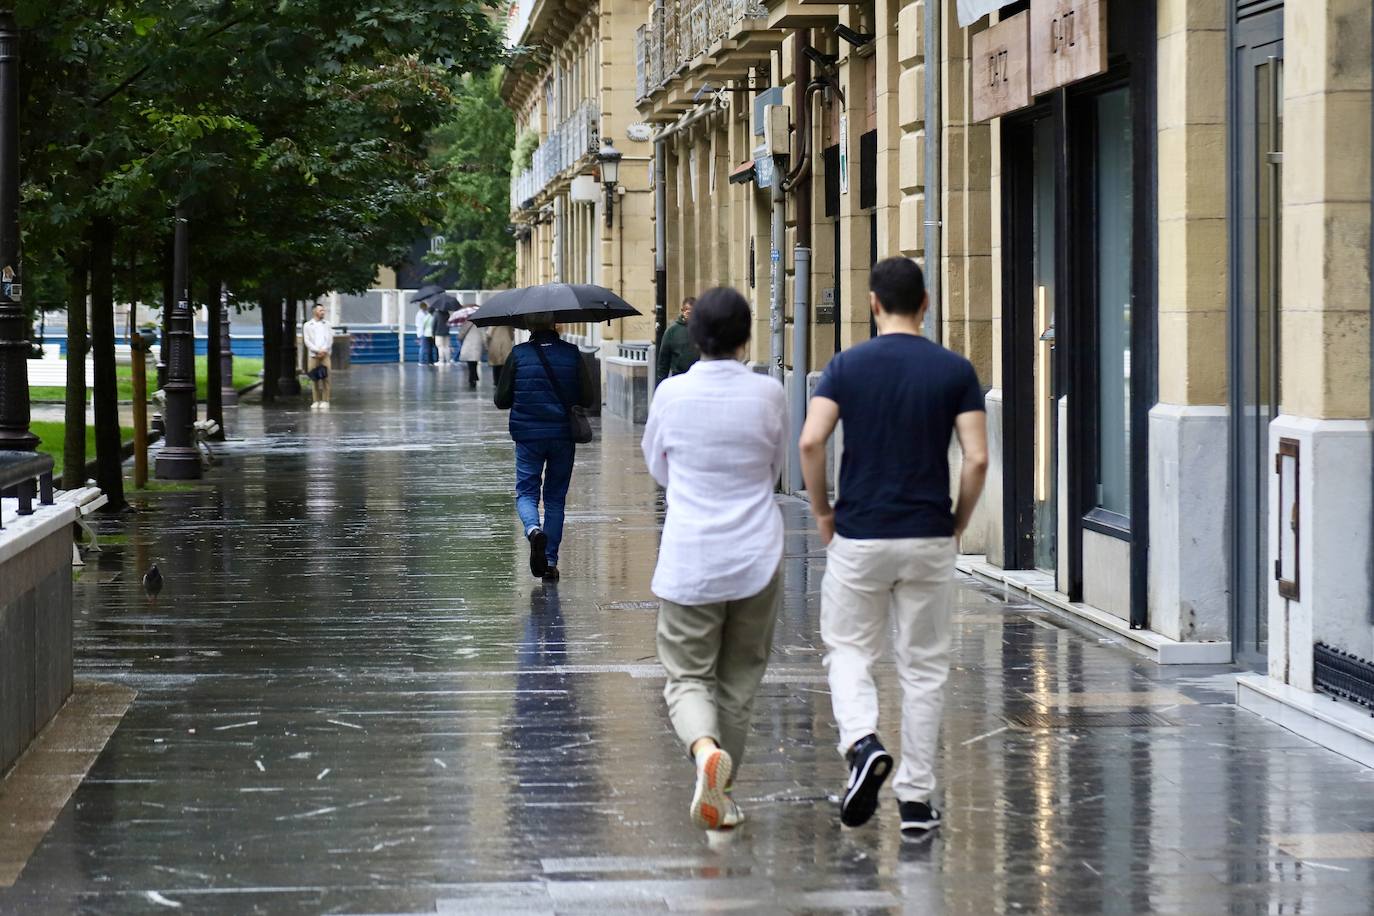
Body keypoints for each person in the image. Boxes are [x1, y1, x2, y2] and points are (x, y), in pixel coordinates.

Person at [798, 257, 988, 840]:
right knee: (924, 668)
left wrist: (823, 511)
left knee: (849, 650)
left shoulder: (846, 366)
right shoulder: (955, 370)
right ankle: (915, 802)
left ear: (874, 304)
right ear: (925, 303)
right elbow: (977, 458)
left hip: (860, 534)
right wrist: (958, 521)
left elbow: (811, 441)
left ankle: (862, 744)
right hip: (928, 533)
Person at [642, 287, 787, 833]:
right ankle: (721, 794)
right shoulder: (769, 393)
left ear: (694, 335)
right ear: (745, 336)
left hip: (690, 558)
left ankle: (705, 751)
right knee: (739, 681)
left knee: (687, 676)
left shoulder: (671, 394)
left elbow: (657, 465)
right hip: (755, 556)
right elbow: (776, 466)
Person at [494, 313, 596, 582]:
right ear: (555, 324)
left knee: (526, 492)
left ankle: (533, 530)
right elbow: (588, 398)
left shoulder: (518, 354)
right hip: (562, 435)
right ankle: (550, 562)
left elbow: (501, 399)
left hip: (528, 436)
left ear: (529, 326)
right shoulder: (572, 354)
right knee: (555, 498)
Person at [656, 296, 699, 382]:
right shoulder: (672, 331)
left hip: (698, 377)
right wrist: (660, 382)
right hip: (678, 377)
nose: (689, 312)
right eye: (686, 309)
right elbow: (663, 361)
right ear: (682, 310)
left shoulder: (703, 330)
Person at [302, 303, 333, 410]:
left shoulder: (327, 324)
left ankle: (325, 400)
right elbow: (307, 340)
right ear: (314, 311)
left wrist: (324, 350)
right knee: (314, 378)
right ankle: (316, 400)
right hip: (313, 355)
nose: (323, 312)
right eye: (320, 310)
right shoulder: (307, 325)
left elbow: (330, 339)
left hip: (325, 354)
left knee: (326, 377)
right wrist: (316, 350)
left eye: (323, 310)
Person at [458, 318, 483, 388]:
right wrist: (486, 345)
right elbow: (483, 334)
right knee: (474, 363)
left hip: (468, 344)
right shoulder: (481, 323)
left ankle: (472, 378)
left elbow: (460, 335)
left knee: (470, 363)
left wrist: (460, 338)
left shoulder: (466, 323)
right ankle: (474, 377)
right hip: (477, 344)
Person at [432, 298, 453, 366]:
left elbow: (433, 324)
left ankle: (441, 361)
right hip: (446, 333)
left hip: (438, 333)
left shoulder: (436, 313)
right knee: (447, 347)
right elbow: (450, 323)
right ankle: (448, 361)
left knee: (440, 347)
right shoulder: (447, 314)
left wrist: (433, 333)